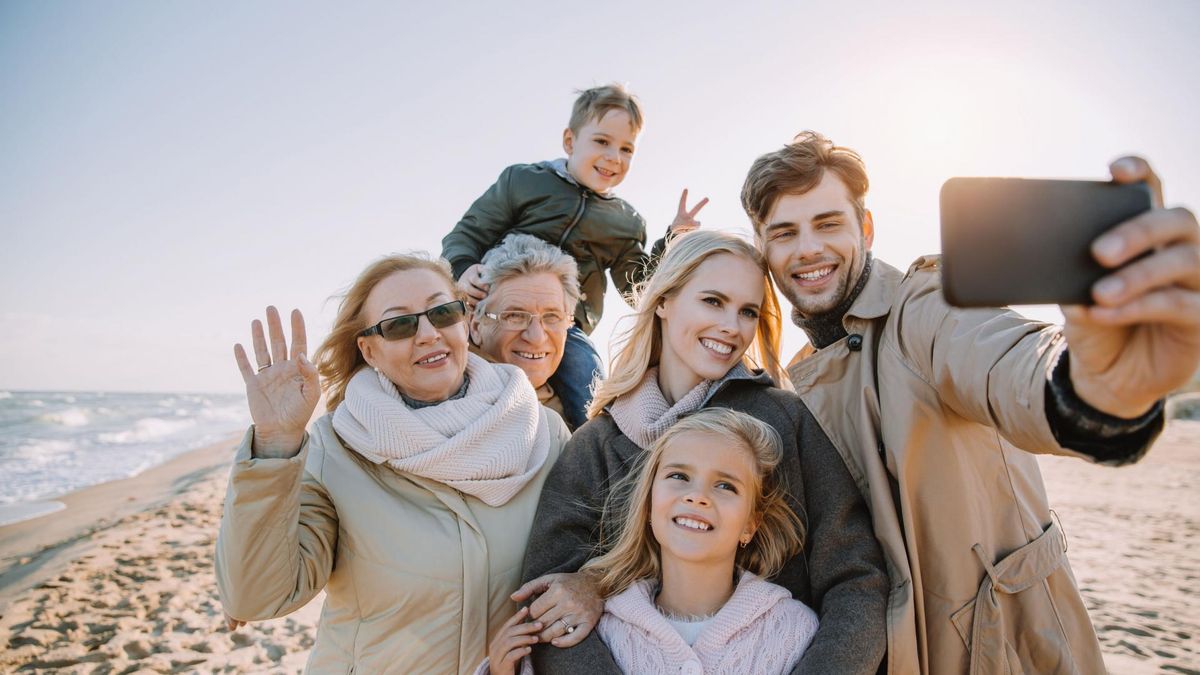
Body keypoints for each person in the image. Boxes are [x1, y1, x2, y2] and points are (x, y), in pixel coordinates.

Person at [739, 131, 1200, 673]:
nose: (808, 248)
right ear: (764, 250)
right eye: (785, 233)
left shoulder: (925, 309)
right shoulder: (793, 381)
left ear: (865, 227)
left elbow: (1011, 363)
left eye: (828, 223)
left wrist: (1101, 381)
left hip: (1004, 651)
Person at [515, 230, 889, 674]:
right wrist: (589, 584)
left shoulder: (789, 420)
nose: (731, 327)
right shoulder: (596, 443)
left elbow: (856, 579)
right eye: (713, 301)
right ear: (664, 302)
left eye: (747, 311)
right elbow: (550, 602)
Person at [215, 253, 571, 674]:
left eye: (441, 313)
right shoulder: (336, 449)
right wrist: (275, 443)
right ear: (368, 349)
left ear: (464, 322)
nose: (427, 334)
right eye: (399, 325)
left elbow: (588, 556)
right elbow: (255, 597)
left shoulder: (543, 434)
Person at [441, 83, 709, 429]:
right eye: (602, 142)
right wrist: (463, 270)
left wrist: (672, 241)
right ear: (570, 141)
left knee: (588, 378)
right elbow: (468, 233)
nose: (614, 157)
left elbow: (638, 287)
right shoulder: (524, 181)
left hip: (565, 324)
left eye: (627, 149)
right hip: (495, 306)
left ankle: (593, 448)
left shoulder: (624, 222)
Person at [482, 408, 818, 675]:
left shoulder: (793, 630)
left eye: (725, 486)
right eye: (679, 477)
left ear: (750, 524)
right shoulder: (602, 629)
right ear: (648, 506)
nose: (697, 496)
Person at [469, 233, 581, 427]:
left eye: (552, 317)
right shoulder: (447, 408)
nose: (536, 337)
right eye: (515, 316)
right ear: (476, 327)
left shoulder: (589, 418)